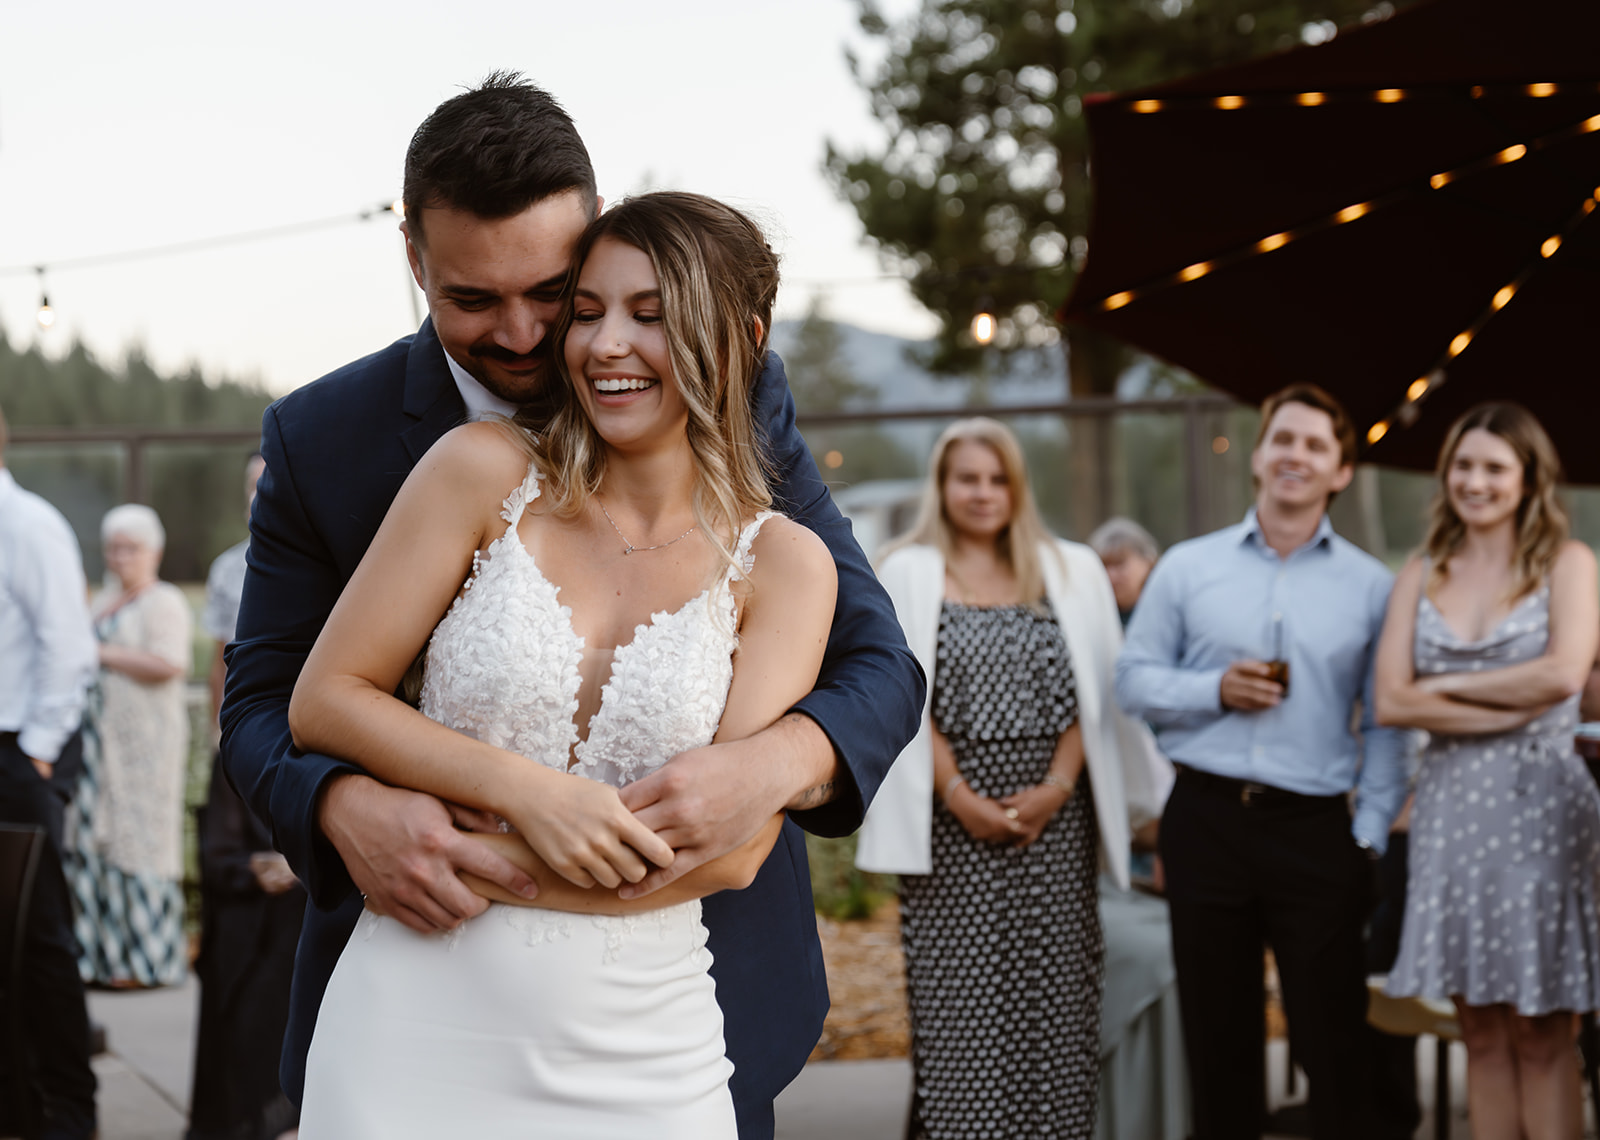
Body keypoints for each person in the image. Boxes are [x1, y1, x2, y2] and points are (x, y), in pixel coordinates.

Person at [219, 75, 922, 1139]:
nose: (529, 335)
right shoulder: (330, 441)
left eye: (553, 289)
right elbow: (271, 700)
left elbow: (876, 658)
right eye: (470, 299)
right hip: (412, 981)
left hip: (676, 1013)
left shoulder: (732, 395)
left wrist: (766, 768)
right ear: (414, 258)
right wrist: (337, 807)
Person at [282, 191, 834, 1134]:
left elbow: (734, 854)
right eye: (588, 312)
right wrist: (528, 794)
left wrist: (459, 860)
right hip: (409, 1019)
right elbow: (325, 700)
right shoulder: (481, 472)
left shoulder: (785, 565)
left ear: (744, 337)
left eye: (649, 316)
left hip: (648, 1053)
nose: (603, 344)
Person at [856, 418, 1170, 1139]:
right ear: (942, 485)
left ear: (1018, 488)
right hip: (949, 830)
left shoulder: (1072, 569)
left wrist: (1057, 789)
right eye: (968, 478)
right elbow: (904, 696)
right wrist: (961, 797)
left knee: (1054, 1024)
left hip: (1055, 829)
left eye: (998, 479)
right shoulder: (903, 569)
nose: (983, 493)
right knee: (961, 1027)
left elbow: (1094, 691)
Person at [1115, 383, 1407, 1140]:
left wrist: (1369, 832)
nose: (1295, 456)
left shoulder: (1372, 587)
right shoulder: (1187, 567)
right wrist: (1212, 688)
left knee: (1334, 1042)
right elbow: (1133, 679)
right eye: (1283, 439)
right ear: (1258, 452)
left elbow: (1386, 723)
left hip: (1315, 831)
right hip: (1205, 820)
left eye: (1315, 445)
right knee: (1220, 1044)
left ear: (1341, 471)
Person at [1376, 402, 1600, 1140]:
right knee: (1480, 1031)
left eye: (1494, 468)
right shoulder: (1422, 570)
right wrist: (1508, 695)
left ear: (1530, 479)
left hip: (1542, 812)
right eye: (1463, 465)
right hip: (1450, 817)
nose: (1476, 481)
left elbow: (1565, 674)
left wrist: (1437, 692)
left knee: (1543, 1033)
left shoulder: (1570, 563)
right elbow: (1388, 699)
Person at [189, 451, 303, 1140]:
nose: (260, 498)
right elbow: (220, 658)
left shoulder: (323, 549)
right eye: (252, 489)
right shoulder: (229, 567)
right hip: (247, 732)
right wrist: (220, 733)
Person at [0, 404, 99, 1140]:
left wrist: (32, 753)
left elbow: (70, 649)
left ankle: (70, 1112)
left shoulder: (28, 526)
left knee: (38, 938)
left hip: (11, 758)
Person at [66, 503, 193, 988]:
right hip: (97, 752)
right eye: (114, 548)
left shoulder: (164, 602)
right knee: (96, 843)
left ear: (153, 551)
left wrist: (101, 653)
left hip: (145, 747)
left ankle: (146, 962)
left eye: (130, 548)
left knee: (140, 844)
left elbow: (169, 661)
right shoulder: (102, 601)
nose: (121, 557)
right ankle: (100, 958)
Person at [1088, 517, 1159, 627]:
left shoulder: (1163, 610)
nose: (1110, 575)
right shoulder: (1091, 616)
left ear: (1148, 562)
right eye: (1103, 565)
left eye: (1119, 564)